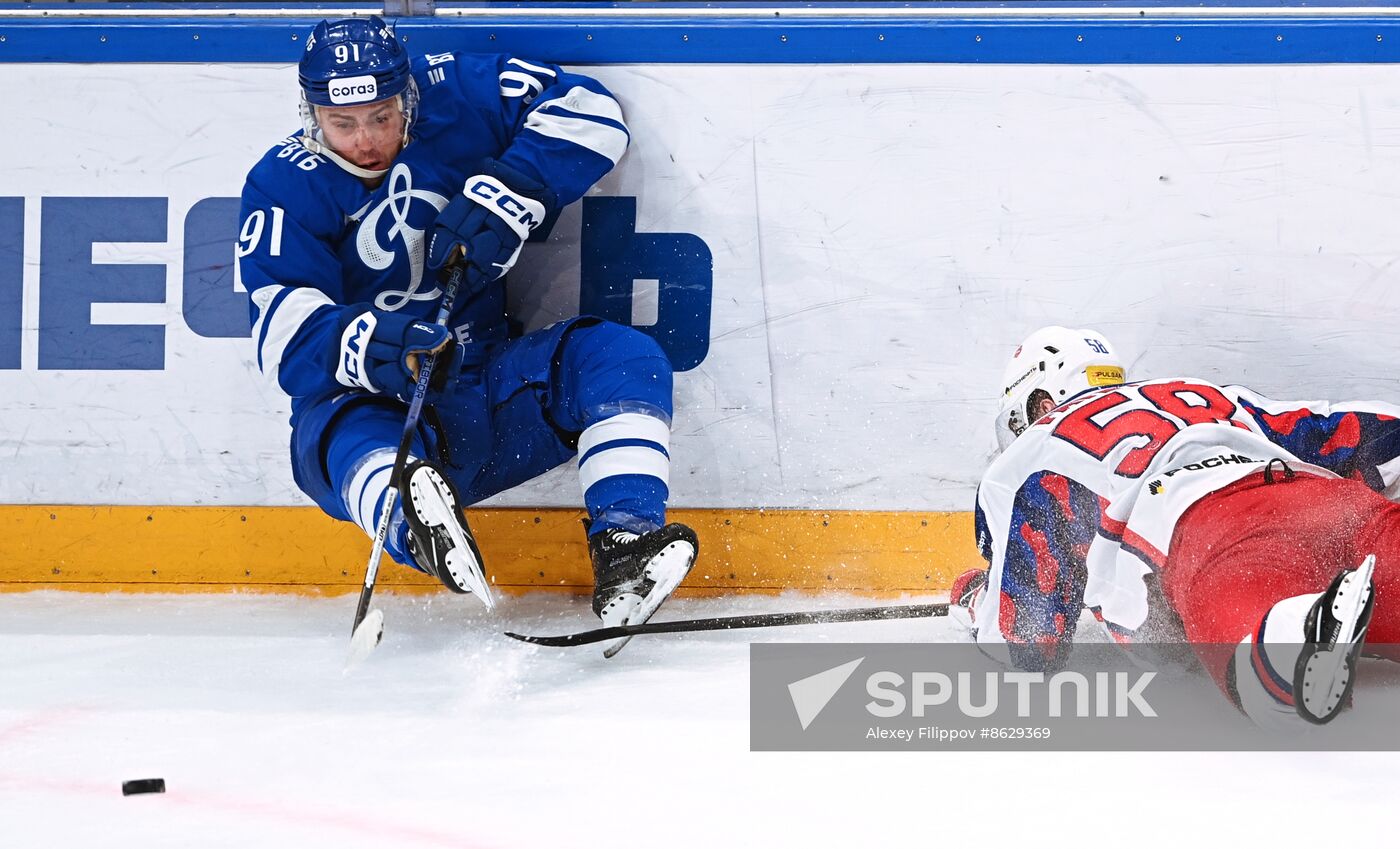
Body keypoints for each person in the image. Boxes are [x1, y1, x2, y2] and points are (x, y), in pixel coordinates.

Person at [235, 15, 697, 648]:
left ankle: (625, 549)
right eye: (343, 124)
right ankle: (411, 515)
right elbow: (280, 337)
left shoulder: (457, 94)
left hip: (487, 388)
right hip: (388, 416)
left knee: (621, 356)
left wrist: (511, 193)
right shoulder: (283, 183)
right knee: (341, 431)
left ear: (409, 97)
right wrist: (379, 348)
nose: (366, 140)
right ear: (312, 114)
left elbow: (591, 111)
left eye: (382, 115)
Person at [952, 325, 1400, 724]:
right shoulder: (1200, 393)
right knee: (1384, 551)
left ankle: (1293, 635)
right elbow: (1340, 431)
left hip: (1211, 528)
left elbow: (1027, 642)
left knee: (1250, 619)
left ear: (1042, 400)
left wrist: (971, 598)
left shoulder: (1029, 453)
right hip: (1324, 498)